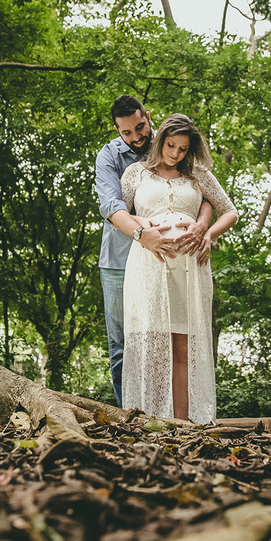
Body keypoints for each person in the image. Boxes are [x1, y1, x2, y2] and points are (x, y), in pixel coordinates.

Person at [117, 114, 238, 423]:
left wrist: (207, 234)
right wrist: (145, 224)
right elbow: (121, 214)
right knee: (153, 346)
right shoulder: (135, 174)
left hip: (189, 266)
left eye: (183, 149)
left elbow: (230, 212)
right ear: (161, 141)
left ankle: (183, 423)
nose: (175, 154)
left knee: (182, 346)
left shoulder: (199, 174)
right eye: (171, 145)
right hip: (149, 266)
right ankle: (151, 423)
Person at [95, 96, 211, 406]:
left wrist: (203, 226)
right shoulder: (108, 157)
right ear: (118, 130)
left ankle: (175, 418)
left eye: (140, 127)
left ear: (149, 117)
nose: (136, 137)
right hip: (121, 261)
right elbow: (111, 204)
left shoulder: (171, 145)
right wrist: (139, 233)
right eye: (126, 133)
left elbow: (204, 191)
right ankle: (131, 417)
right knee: (126, 346)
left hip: (173, 265)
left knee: (173, 344)